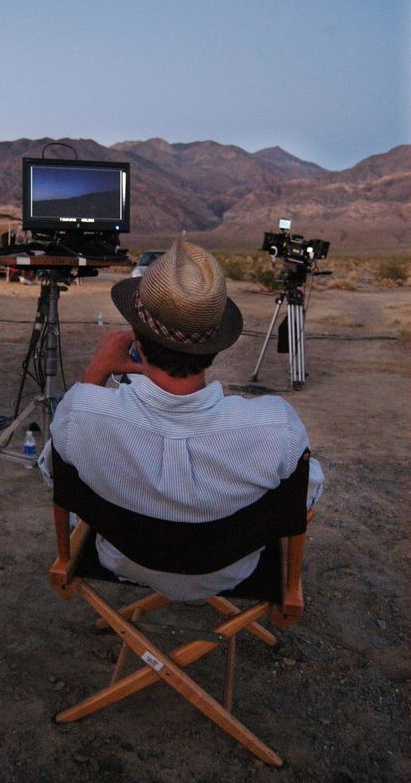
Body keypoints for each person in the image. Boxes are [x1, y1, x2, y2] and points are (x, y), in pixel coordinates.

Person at [39, 238, 323, 602]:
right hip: (231, 571)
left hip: (124, 561)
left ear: (135, 339)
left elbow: (54, 471)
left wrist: (96, 371)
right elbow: (306, 494)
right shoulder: (276, 426)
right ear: (216, 346)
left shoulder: (82, 416)